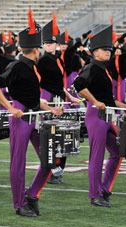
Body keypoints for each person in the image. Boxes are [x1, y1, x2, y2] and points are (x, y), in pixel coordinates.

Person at [0, 9, 63, 217]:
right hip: (21, 119)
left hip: (34, 117)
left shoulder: (32, 66)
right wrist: (10, 107)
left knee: (50, 159)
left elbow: (33, 97)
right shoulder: (16, 65)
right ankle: (19, 204)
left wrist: (50, 108)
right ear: (35, 49)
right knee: (18, 163)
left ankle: (32, 194)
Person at [73, 25, 126, 207]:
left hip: (108, 115)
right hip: (96, 115)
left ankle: (105, 189)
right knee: (97, 156)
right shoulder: (92, 67)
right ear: (94, 52)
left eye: (109, 50)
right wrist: (94, 100)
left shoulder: (104, 69)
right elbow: (78, 85)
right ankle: (95, 195)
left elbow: (108, 99)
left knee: (118, 152)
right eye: (104, 50)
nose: (108, 52)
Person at [38, 13, 81, 184]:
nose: (48, 45)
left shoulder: (58, 60)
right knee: (52, 137)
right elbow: (39, 81)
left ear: (56, 44)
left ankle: (59, 170)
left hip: (60, 98)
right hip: (48, 98)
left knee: (64, 135)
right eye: (46, 43)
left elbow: (60, 83)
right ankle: (51, 171)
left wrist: (71, 97)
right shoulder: (42, 61)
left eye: (51, 43)